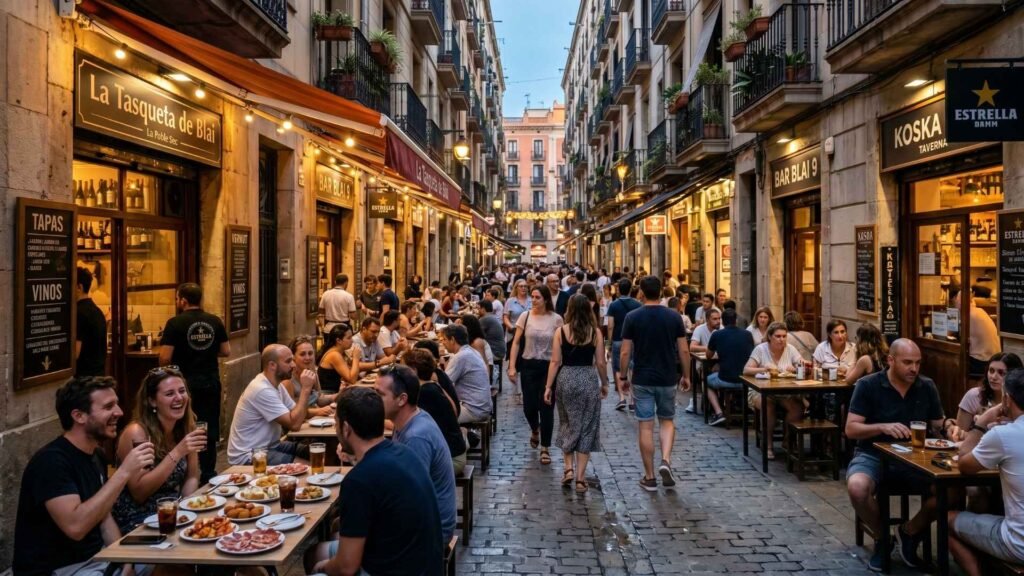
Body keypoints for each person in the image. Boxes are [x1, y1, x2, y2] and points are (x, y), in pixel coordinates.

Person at [14, 376, 155, 576]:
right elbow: (76, 527)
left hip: (97, 559)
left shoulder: (95, 454)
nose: (119, 412)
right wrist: (124, 471)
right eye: (108, 407)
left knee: (163, 561)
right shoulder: (51, 462)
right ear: (79, 416)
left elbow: (103, 516)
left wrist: (125, 561)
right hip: (59, 569)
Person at [845, 339, 962, 571]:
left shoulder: (926, 386)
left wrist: (950, 426)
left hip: (917, 456)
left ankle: (909, 532)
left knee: (954, 490)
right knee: (857, 487)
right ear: (891, 360)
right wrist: (882, 427)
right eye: (908, 362)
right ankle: (883, 538)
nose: (914, 369)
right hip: (873, 454)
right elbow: (851, 429)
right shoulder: (868, 385)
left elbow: (938, 422)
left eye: (918, 363)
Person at [308, 387, 443, 576]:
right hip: (425, 563)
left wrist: (323, 567)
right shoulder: (404, 451)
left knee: (319, 565)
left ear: (346, 429)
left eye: (336, 424)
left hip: (396, 568)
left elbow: (347, 567)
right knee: (314, 553)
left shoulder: (358, 481)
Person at [113, 366, 205, 533]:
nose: (179, 398)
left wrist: (187, 507)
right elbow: (140, 492)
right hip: (139, 521)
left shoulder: (185, 427)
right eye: (169, 394)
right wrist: (177, 452)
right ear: (152, 401)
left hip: (174, 513)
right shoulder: (137, 433)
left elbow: (192, 476)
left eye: (182, 391)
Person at [620, 276, 691, 491]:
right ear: (661, 291)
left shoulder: (632, 317)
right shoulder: (674, 317)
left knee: (645, 425)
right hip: (667, 376)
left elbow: (625, 351)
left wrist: (623, 377)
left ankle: (649, 477)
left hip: (642, 377)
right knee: (667, 421)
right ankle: (666, 460)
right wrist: (686, 375)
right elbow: (684, 350)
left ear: (641, 292)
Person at [950, 368, 1024, 575]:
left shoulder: (1003, 435)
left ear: (1007, 399)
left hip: (1018, 543)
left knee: (946, 519)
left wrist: (982, 421)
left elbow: (964, 463)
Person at [376, 365, 456, 543]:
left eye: (380, 394)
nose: (374, 399)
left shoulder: (416, 436)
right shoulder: (411, 418)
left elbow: (408, 496)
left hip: (431, 531)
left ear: (401, 399)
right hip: (424, 521)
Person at [158, 282, 230, 483]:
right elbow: (226, 351)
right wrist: (205, 351)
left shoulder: (175, 323)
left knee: (185, 425)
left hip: (185, 385)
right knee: (208, 425)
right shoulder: (214, 321)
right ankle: (208, 470)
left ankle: (186, 470)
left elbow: (164, 357)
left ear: (183, 300)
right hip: (210, 382)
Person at [544, 294, 608, 493]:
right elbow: (600, 362)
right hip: (588, 378)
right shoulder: (595, 332)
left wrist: (548, 386)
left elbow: (555, 361)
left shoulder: (561, 332)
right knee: (587, 426)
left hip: (566, 378)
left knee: (567, 422)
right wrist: (604, 382)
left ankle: (568, 469)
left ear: (569, 309)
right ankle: (580, 479)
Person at [226, 344, 315, 465]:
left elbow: (297, 413)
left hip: (270, 447)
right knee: (308, 467)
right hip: (249, 455)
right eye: (288, 361)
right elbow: (295, 424)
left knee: (315, 451)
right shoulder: (262, 389)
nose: (293, 365)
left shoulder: (276, 385)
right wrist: (306, 389)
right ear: (272, 365)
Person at [508, 285, 564, 464]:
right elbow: (516, 342)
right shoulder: (525, 317)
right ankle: (534, 429)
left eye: (537, 297)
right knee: (529, 407)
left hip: (549, 367)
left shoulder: (556, 319)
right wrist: (511, 366)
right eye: (532, 296)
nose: (533, 300)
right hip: (529, 366)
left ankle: (545, 447)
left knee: (547, 407)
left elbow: (562, 346)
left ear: (546, 299)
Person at [743, 322, 806, 460]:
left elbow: (803, 365)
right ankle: (769, 445)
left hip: (783, 391)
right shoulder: (760, 349)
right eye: (778, 336)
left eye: (784, 336)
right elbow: (746, 370)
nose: (781, 339)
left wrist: (796, 369)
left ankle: (787, 440)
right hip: (760, 391)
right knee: (768, 405)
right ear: (770, 337)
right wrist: (764, 369)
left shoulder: (790, 349)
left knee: (798, 407)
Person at [402, 349, 467, 474]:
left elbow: (405, 422)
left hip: (451, 459)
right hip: (455, 452)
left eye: (402, 368)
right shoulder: (432, 384)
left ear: (413, 370)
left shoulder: (424, 393)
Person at [705, 309, 757, 426]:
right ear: (736, 320)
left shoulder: (717, 334)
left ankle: (719, 413)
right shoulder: (747, 334)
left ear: (722, 320)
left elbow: (708, 355)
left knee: (706, 381)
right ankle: (737, 407)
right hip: (745, 380)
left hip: (725, 378)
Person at [956, 353, 1024, 434]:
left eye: (1001, 373)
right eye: (991, 371)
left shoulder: (1019, 402)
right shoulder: (974, 395)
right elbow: (958, 433)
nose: (993, 377)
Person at [442, 324, 493, 423]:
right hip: (482, 407)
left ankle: (462, 437)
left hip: (473, 410)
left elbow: (444, 382)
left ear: (452, 340)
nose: (443, 343)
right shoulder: (471, 351)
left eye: (444, 339)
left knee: (435, 415)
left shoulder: (461, 356)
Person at [607, 278, 643, 411]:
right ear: (630, 290)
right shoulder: (638, 304)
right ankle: (633, 399)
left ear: (618, 290)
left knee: (617, 368)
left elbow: (610, 325)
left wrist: (609, 343)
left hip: (618, 339)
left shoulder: (613, 305)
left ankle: (622, 398)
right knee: (633, 367)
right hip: (634, 340)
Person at [283, 336, 336, 417]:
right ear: (293, 356)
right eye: (302, 354)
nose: (307, 358)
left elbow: (319, 398)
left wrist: (336, 396)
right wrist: (317, 411)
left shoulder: (312, 371)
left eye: (310, 353)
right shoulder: (287, 379)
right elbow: (291, 412)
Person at [957, 286, 1002, 376]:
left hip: (982, 362)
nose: (956, 304)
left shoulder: (968, 315)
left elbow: (963, 341)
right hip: (995, 359)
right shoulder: (980, 311)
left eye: (957, 301)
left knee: (954, 362)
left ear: (960, 302)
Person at [75, 266, 107, 377]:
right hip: (98, 375)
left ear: (79, 287)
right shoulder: (97, 311)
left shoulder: (78, 313)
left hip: (84, 379)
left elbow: (75, 353)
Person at [317, 324, 359, 392]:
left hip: (334, 392)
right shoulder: (334, 355)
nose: (352, 341)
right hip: (328, 395)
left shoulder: (338, 352)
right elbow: (352, 379)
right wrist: (356, 358)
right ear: (338, 340)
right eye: (349, 338)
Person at [478, 300, 506, 372]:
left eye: (479, 308)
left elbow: (474, 333)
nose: (478, 311)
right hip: (500, 351)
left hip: (495, 352)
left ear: (483, 309)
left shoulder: (485, 319)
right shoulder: (491, 317)